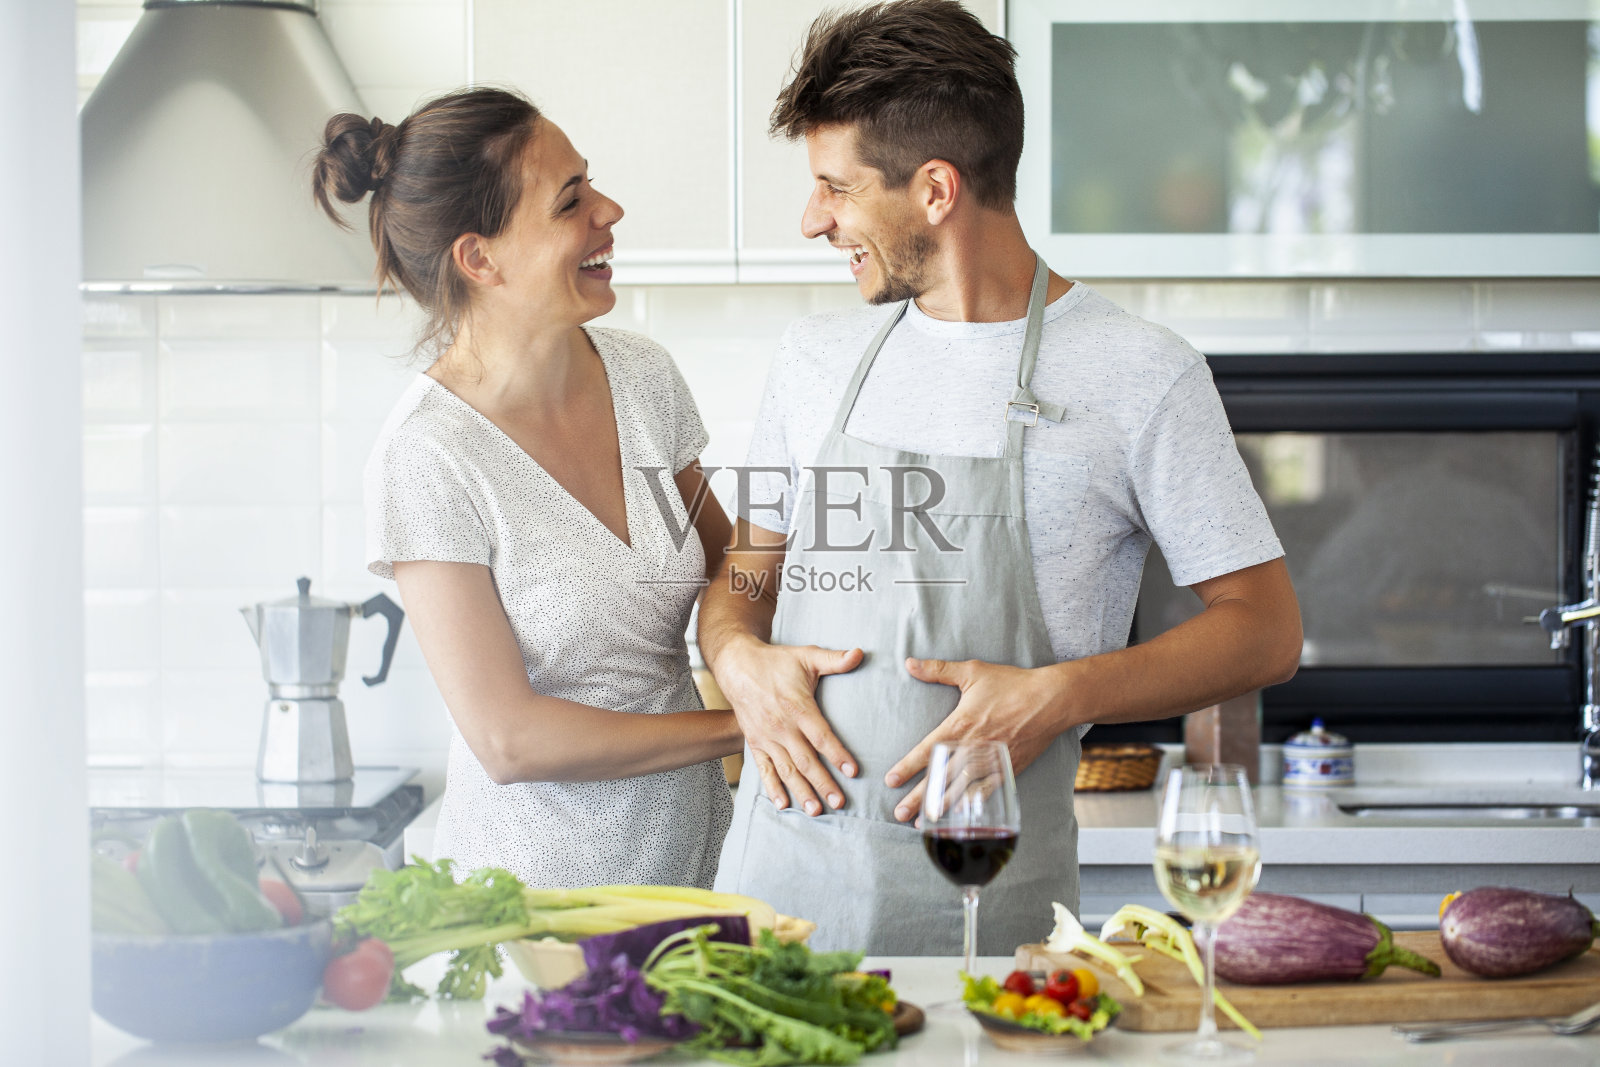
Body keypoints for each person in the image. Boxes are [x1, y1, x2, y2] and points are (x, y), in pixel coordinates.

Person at [698, 0, 1303, 953]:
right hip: (779, 901)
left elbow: (1265, 632)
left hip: (988, 909)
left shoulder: (1141, 373)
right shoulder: (813, 360)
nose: (814, 220)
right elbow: (743, 576)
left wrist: (1064, 693)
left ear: (935, 189)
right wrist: (737, 658)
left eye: (836, 189)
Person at [311, 88, 738, 888]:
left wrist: (752, 652)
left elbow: (735, 563)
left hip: (697, 863)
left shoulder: (643, 377)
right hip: (539, 899)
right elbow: (510, 739)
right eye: (571, 200)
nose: (609, 209)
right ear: (480, 258)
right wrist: (743, 723)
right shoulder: (427, 456)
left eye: (591, 183)